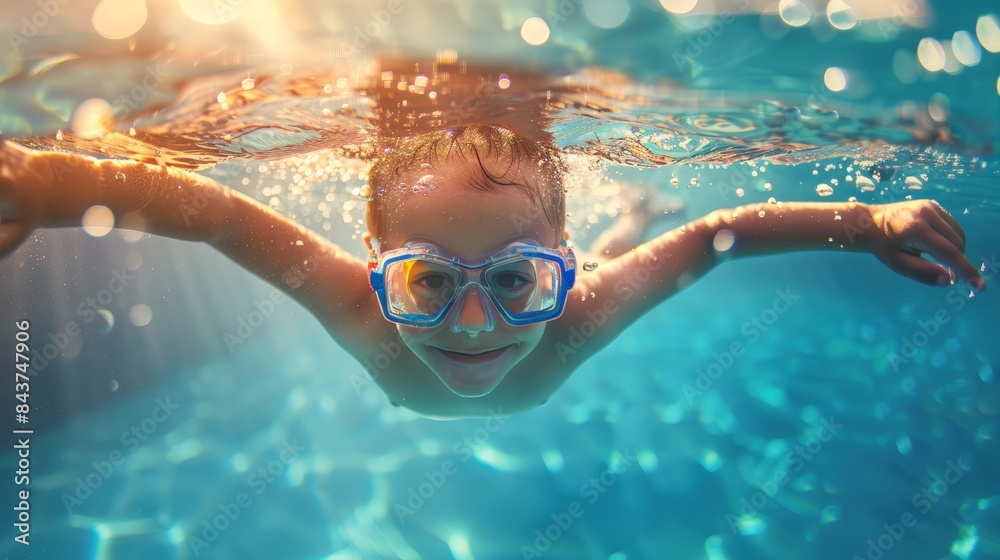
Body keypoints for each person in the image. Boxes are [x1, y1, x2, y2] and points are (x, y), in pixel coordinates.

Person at [0, 124, 986, 418]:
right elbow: (213, 214)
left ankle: (612, 222)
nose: (469, 325)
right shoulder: (364, 307)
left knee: (636, 244)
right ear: (376, 269)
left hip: (579, 271)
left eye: (513, 283)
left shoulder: (576, 309)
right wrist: (58, 180)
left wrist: (865, 217)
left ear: (557, 274)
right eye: (426, 282)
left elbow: (713, 235)